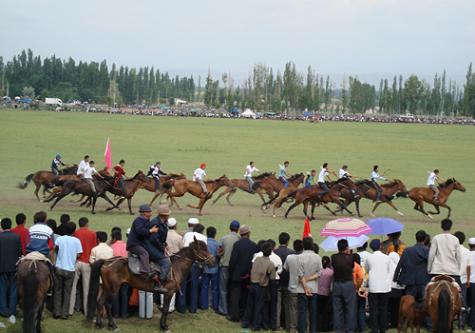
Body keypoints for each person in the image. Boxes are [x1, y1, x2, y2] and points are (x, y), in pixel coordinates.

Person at [242, 241, 276, 331]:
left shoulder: (257, 259)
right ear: (271, 252)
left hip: (252, 284)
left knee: (249, 305)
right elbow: (272, 278)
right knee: (258, 306)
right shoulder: (270, 264)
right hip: (261, 287)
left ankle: (245, 322)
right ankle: (256, 325)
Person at [126, 204, 162, 285]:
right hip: (134, 244)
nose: (151, 213)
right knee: (144, 253)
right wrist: (150, 231)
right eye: (149, 212)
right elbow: (140, 231)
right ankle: (145, 272)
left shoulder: (146, 221)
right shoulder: (138, 220)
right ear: (144, 213)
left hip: (140, 244)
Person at [228, 225, 258, 322]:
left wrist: (231, 272)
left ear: (240, 234)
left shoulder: (237, 244)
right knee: (245, 296)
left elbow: (233, 260)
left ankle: (235, 316)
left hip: (237, 274)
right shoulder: (254, 245)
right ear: (248, 233)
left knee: (235, 296)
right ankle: (244, 316)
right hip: (249, 275)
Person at [53, 222, 83, 320]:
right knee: (67, 292)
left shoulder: (59, 239)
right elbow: (79, 254)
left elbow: (56, 249)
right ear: (74, 230)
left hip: (59, 267)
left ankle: (56, 311)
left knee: (57, 291)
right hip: (70, 269)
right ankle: (64, 313)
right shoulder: (77, 241)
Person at [69, 217, 97, 316]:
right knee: (86, 288)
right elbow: (94, 248)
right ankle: (86, 311)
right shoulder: (92, 233)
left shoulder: (76, 233)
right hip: (87, 263)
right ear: (87, 224)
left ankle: (70, 310)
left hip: (76, 262)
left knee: (73, 287)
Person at [253, 239, 283, 330]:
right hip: (273, 282)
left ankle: (264, 324)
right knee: (273, 304)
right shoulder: (277, 258)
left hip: (259, 281)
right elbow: (280, 271)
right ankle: (273, 325)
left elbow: (253, 266)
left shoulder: (257, 256)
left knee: (262, 304)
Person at [393, 230, 430, 303]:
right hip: (423, 282)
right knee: (422, 305)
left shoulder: (407, 250)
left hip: (410, 282)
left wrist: (395, 278)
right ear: (425, 239)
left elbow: (400, 265)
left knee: (409, 304)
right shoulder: (428, 251)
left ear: (416, 238)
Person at [365, 239, 392, 333]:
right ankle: (383, 328)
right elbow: (389, 271)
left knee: (374, 308)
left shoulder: (369, 258)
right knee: (384, 308)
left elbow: (367, 270)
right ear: (380, 246)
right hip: (384, 286)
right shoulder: (386, 257)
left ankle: (374, 328)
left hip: (374, 286)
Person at [298, 237, 323, 333]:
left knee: (302, 313)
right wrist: (309, 280)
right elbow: (320, 273)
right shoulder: (317, 257)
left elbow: (300, 274)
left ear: (303, 245)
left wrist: (305, 285)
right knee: (313, 313)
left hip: (302, 288)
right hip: (313, 288)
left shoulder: (300, 257)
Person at [331, 239, 357, 333]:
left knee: (337, 310)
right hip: (348, 284)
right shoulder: (350, 257)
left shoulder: (333, 257)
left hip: (337, 284)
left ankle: (338, 330)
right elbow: (352, 267)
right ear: (346, 247)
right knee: (350, 309)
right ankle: (350, 330)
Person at [144, 204, 172, 288]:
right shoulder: (155, 223)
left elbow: (161, 238)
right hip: (151, 247)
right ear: (165, 215)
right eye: (168, 214)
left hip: (156, 246)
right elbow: (154, 239)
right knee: (166, 262)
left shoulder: (163, 222)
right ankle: (159, 284)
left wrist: (165, 244)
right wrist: (162, 248)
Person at [0, 218, 22, 324]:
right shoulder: (16, 237)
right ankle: (12, 310)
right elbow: (20, 252)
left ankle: (4, 311)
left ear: (2, 226)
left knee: (2, 289)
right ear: (10, 225)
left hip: (1, 267)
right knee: (13, 290)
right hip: (14, 267)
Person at [218, 220, 240, 316]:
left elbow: (219, 252)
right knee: (232, 289)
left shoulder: (224, 238)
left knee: (223, 289)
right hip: (235, 268)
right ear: (238, 229)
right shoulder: (239, 239)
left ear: (229, 228)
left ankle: (223, 309)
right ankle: (232, 309)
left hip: (224, 266)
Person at [274, 232, 294, 330]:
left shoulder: (274, 251)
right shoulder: (292, 253)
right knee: (287, 306)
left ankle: (277, 325)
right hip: (288, 282)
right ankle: (288, 326)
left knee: (277, 305)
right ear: (287, 241)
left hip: (277, 281)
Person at [283, 239, 304, 333]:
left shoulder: (289, 257)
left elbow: (285, 269)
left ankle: (292, 329)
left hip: (292, 287)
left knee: (292, 310)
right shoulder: (306, 257)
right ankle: (303, 328)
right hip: (303, 288)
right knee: (304, 310)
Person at [199, 226, 221, 312]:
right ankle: (215, 305)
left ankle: (204, 305)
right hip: (215, 268)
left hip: (205, 268)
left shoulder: (205, 243)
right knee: (215, 288)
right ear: (215, 234)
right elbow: (219, 255)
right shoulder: (217, 244)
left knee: (204, 287)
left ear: (207, 234)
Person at [455, 231, 470, 327]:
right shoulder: (467, 251)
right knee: (463, 302)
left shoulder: (452, 250)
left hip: (453, 277)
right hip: (463, 279)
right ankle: (462, 323)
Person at [317, 256, 334, 332]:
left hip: (318, 293)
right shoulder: (331, 272)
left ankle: (319, 327)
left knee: (319, 312)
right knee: (326, 312)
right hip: (327, 294)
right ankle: (326, 328)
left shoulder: (319, 271)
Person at [353, 254, 366, 333]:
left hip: (355, 290)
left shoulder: (353, 268)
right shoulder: (363, 268)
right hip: (363, 290)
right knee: (361, 310)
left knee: (354, 310)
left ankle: (355, 327)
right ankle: (362, 327)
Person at [465, 238, 475, 332]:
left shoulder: (467, 254)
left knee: (467, 302)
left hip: (468, 281)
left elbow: (467, 268)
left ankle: (466, 321)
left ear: (469, 245)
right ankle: (472, 323)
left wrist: (467, 280)